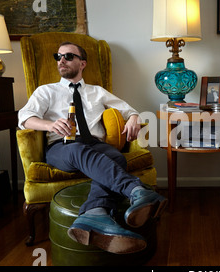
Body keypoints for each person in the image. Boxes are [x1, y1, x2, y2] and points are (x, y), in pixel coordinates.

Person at [18, 41, 167, 254]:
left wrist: (134, 118)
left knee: (116, 157)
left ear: (83, 63)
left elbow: (128, 110)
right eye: (58, 56)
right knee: (80, 150)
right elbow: (24, 118)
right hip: (63, 146)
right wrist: (49, 124)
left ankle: (95, 213)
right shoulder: (46, 91)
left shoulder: (97, 92)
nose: (61, 60)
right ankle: (137, 191)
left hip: (95, 144)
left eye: (68, 56)